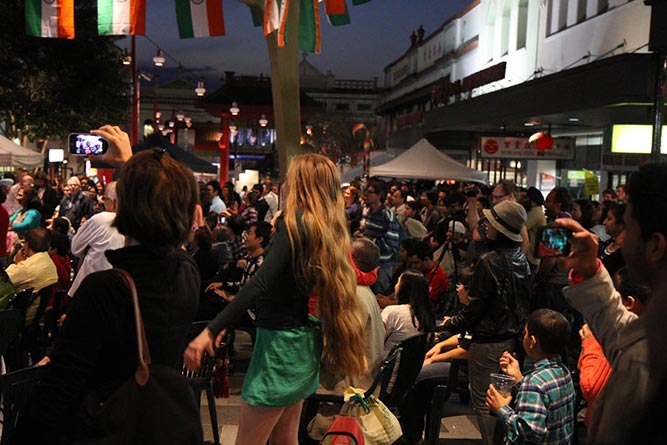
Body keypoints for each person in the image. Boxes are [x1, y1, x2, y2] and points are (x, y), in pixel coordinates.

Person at [15, 125, 201, 443]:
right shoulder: (187, 274)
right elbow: (162, 216)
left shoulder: (105, 290)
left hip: (104, 428)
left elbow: (60, 389)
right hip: (153, 425)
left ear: (123, 210)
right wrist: (131, 166)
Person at [184, 153, 367, 445]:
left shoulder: (296, 224)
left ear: (300, 184)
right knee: (284, 440)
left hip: (279, 348)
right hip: (298, 344)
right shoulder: (321, 227)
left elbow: (261, 282)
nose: (283, 184)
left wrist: (212, 328)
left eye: (289, 177)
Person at [442, 200, 531, 445]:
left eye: (490, 221)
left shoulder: (489, 260)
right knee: (502, 401)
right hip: (511, 341)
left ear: (499, 227)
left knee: (484, 402)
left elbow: (476, 307)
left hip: (488, 342)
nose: (486, 224)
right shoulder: (520, 257)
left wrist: (449, 324)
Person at [486, 309, 576, 445]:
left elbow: (530, 431)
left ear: (533, 341)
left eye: (526, 333)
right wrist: (518, 378)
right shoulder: (563, 372)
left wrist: (501, 409)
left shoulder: (534, 382)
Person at [68, 181, 125, 297]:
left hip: (91, 287)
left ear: (113, 202)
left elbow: (75, 248)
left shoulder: (101, 219)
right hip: (119, 289)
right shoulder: (136, 222)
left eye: (105, 199)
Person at [382, 269, 435, 357]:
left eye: (398, 283)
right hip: (411, 369)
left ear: (404, 288)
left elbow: (376, 343)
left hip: (386, 367)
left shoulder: (392, 312)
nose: (395, 286)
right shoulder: (427, 316)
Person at [598, 202, 626, 277]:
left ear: (621, 224)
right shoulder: (605, 244)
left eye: (609, 219)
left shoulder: (626, 253)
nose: (604, 222)